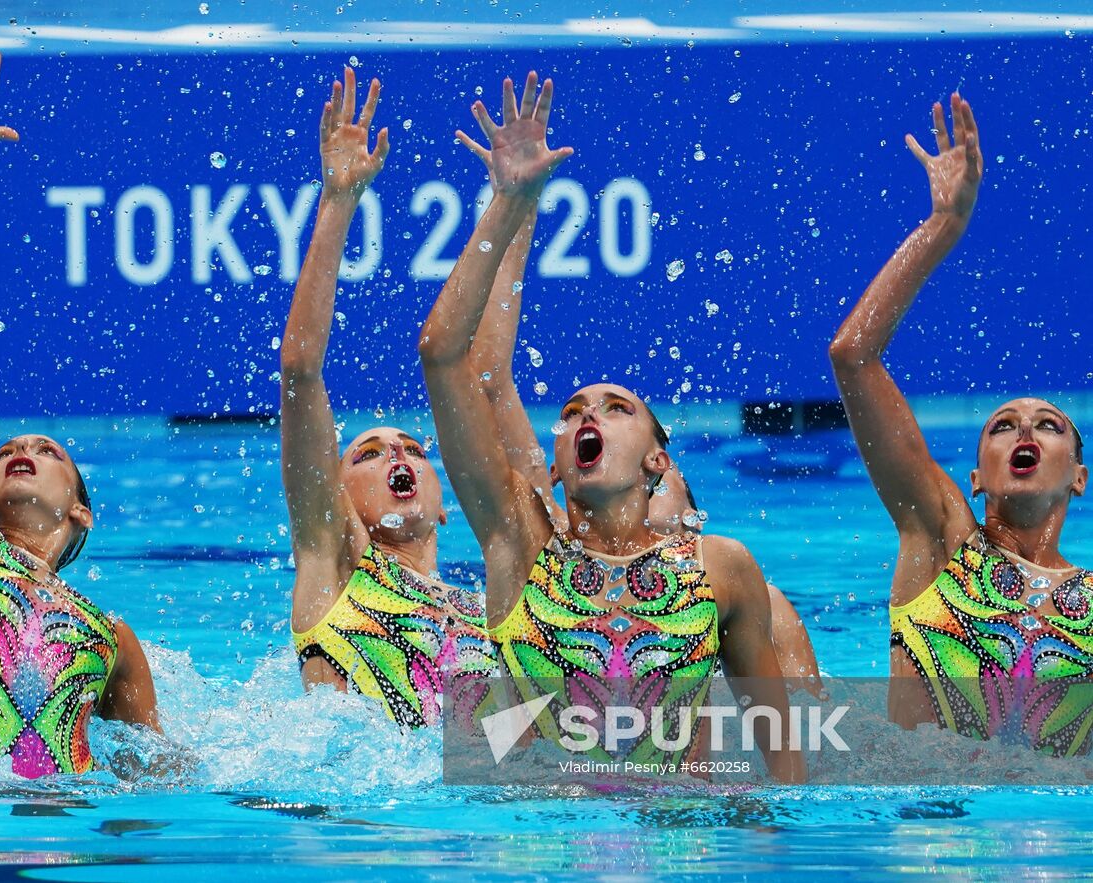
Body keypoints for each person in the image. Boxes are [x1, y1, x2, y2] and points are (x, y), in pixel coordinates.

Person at [419, 72, 804, 781]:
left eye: (616, 407)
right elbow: (445, 356)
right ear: (556, 464)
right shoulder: (520, 543)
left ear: (658, 462)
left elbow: (785, 768)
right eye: (570, 414)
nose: (587, 415)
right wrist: (508, 205)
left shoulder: (723, 571)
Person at [0, 42, 160, 777]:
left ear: (81, 511)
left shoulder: (109, 636)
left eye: (49, 451)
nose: (24, 449)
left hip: (63, 826)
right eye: (10, 445)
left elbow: (162, 776)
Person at [830, 94, 1093, 755]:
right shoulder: (942, 542)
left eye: (1048, 425)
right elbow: (852, 357)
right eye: (1003, 425)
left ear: (1080, 476)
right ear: (975, 477)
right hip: (936, 835)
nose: (1025, 429)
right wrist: (944, 223)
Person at [282, 67, 495, 728]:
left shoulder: (496, 611)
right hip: (363, 827)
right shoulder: (332, 567)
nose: (396, 453)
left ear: (446, 506)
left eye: (409, 448)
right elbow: (300, 369)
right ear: (333, 495)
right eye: (368, 452)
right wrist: (338, 201)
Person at [647, 464, 821, 689]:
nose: (636, 488)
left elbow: (808, 713)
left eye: (654, 482)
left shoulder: (763, 605)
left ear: (693, 520)